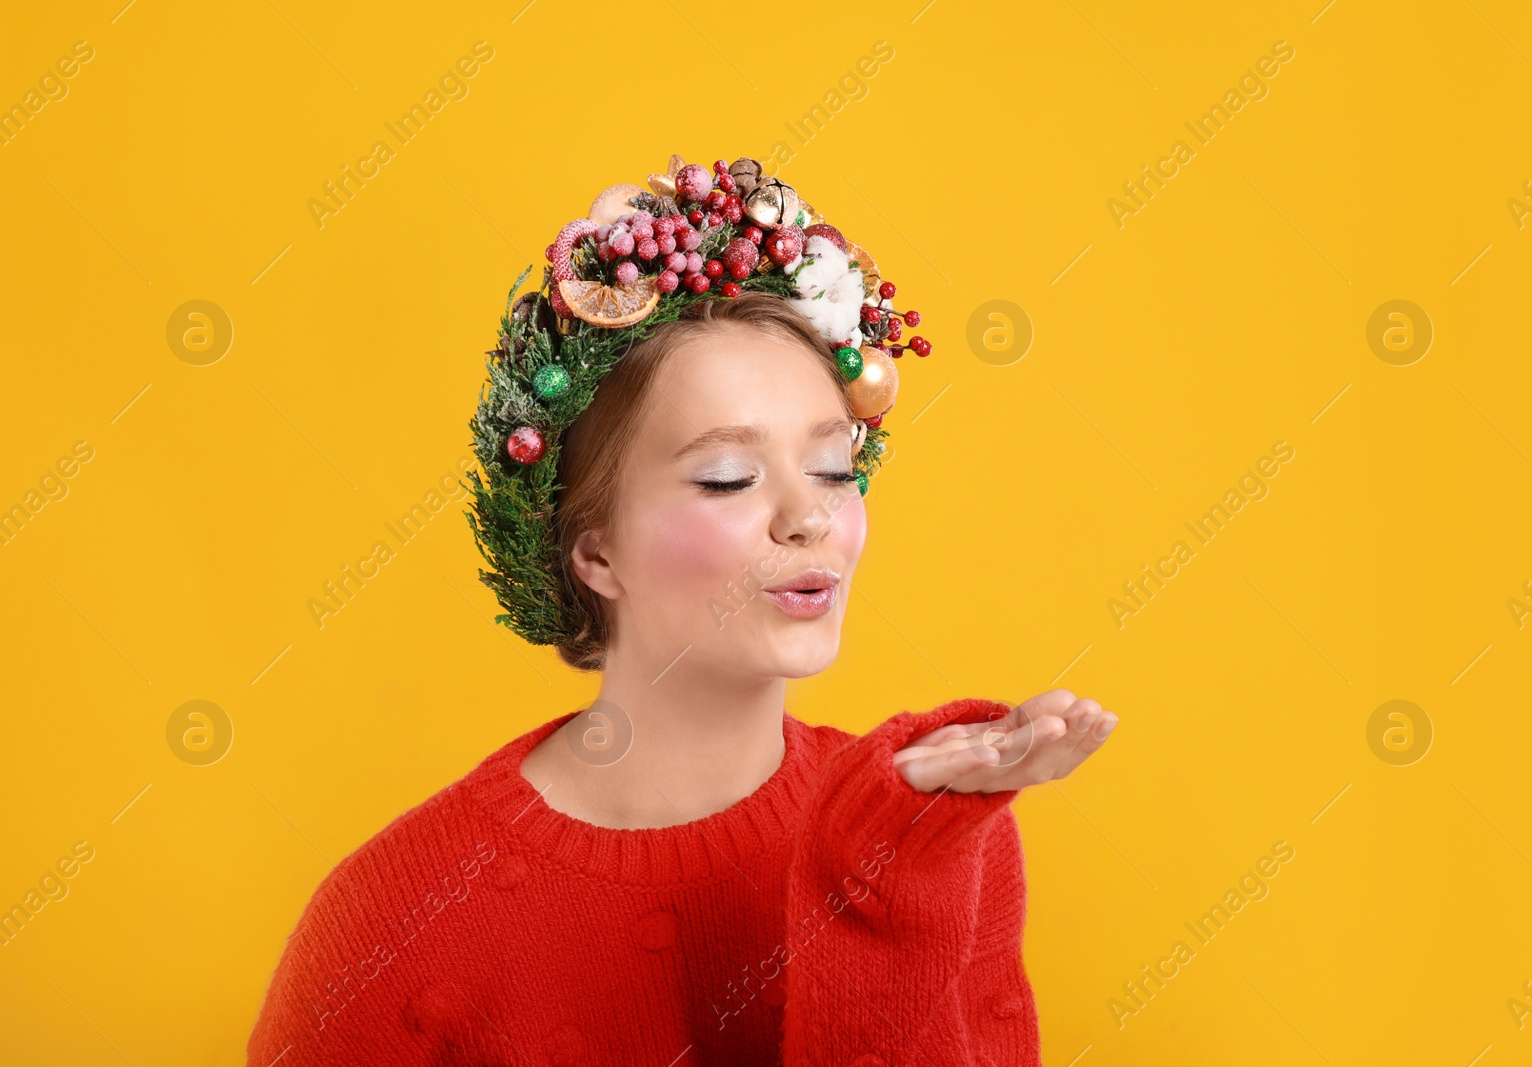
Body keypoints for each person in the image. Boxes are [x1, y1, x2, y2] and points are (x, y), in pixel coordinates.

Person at [246, 154, 1118, 1067]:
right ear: (596, 552)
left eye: (832, 468)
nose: (809, 516)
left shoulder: (933, 822)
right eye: (727, 477)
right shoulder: (392, 920)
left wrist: (894, 866)